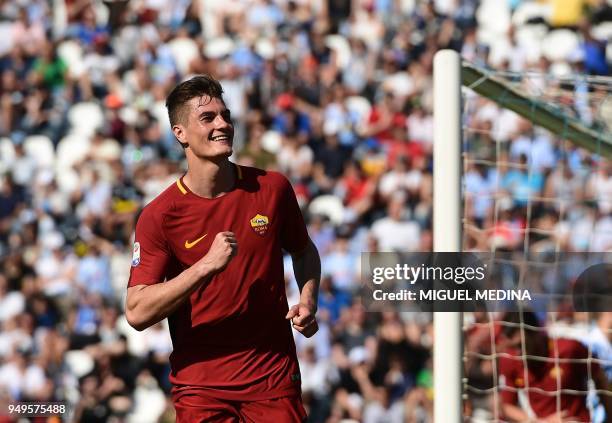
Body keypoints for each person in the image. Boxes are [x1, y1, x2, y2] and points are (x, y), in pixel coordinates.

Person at [125, 75, 321, 422]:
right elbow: (137, 312)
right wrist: (204, 267)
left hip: (271, 378)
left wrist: (308, 300)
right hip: (202, 386)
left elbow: (303, 251)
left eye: (225, 115)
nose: (223, 125)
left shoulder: (272, 188)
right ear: (179, 133)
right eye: (208, 118)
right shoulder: (159, 216)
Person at [498, 311, 611, 422]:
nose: (519, 353)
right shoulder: (510, 360)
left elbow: (600, 378)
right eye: (513, 347)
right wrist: (540, 422)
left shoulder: (569, 349)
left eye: (521, 345)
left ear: (536, 332)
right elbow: (506, 407)